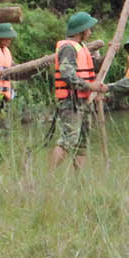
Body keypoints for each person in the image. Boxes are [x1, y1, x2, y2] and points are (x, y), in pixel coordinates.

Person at [49, 11, 107, 167]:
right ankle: (50, 176)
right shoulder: (68, 48)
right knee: (68, 140)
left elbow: (89, 70)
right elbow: (67, 75)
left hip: (84, 100)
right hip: (71, 101)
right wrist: (90, 86)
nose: (90, 31)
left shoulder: (81, 47)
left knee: (82, 144)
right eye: (89, 28)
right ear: (81, 30)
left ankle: (79, 183)